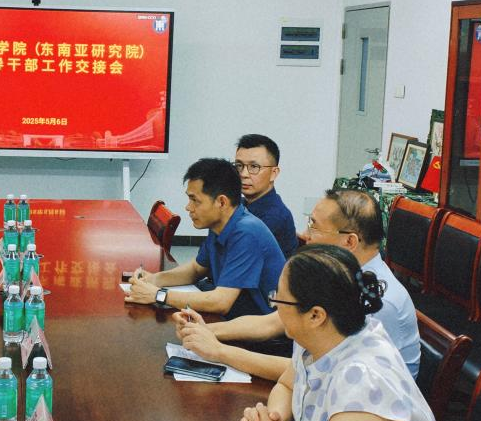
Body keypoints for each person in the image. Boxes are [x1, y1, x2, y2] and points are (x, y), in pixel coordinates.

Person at [235, 245, 442, 421]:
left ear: (316, 315)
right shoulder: (322, 337)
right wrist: (273, 420)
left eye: (280, 300)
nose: (275, 305)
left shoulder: (360, 375)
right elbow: (287, 385)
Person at [174, 189, 421, 380]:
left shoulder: (376, 299)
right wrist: (205, 331)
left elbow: (314, 373)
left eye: (314, 226)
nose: (305, 234)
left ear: (349, 241)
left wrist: (220, 352)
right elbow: (274, 322)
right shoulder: (335, 272)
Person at [124, 158, 285, 318]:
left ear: (221, 202)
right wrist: (154, 279)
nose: (188, 207)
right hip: (236, 312)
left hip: (259, 324)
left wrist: (158, 295)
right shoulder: (220, 224)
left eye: (195, 200)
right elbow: (196, 269)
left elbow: (221, 302)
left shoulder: (246, 233)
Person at [235, 134, 298, 258]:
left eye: (254, 167)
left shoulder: (274, 217)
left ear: (273, 173)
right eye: (239, 166)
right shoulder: (239, 204)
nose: (243, 174)